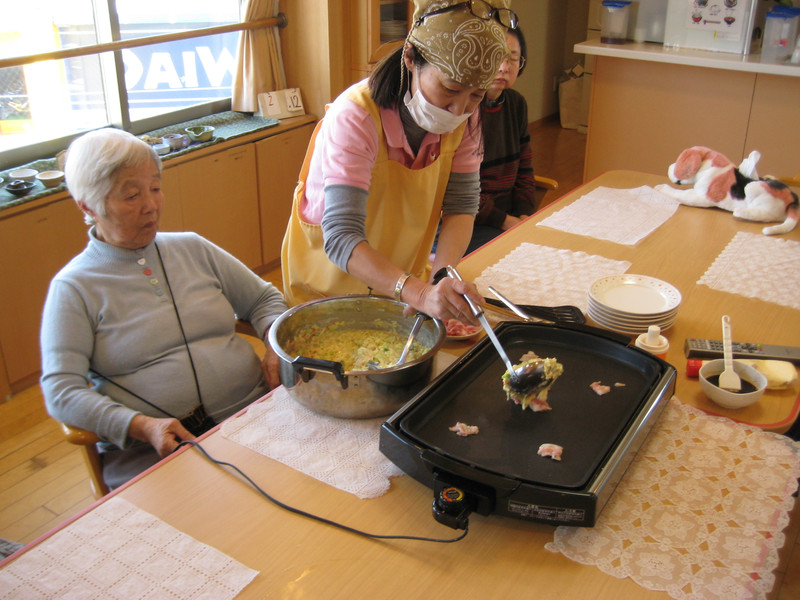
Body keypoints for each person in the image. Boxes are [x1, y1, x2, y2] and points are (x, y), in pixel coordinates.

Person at [40, 128, 288, 490]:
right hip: (157, 452)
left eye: (155, 188)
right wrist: (141, 425)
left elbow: (263, 299)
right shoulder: (74, 288)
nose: (151, 205)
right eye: (131, 195)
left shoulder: (192, 248)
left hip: (259, 413)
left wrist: (274, 345)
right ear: (87, 206)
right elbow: (62, 390)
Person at [281, 0, 515, 322]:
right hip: (329, 294)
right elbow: (341, 236)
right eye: (450, 88)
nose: (458, 109)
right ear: (410, 58)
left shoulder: (467, 121)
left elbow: (461, 207)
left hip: (399, 290)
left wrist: (441, 279)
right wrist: (419, 293)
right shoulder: (356, 117)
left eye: (476, 95)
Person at [467, 24, 535, 254]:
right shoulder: (463, 105)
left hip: (508, 217)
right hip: (469, 222)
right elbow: (458, 193)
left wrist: (525, 214)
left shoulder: (516, 104)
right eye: (496, 58)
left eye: (512, 59)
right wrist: (506, 222)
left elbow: (525, 169)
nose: (504, 68)